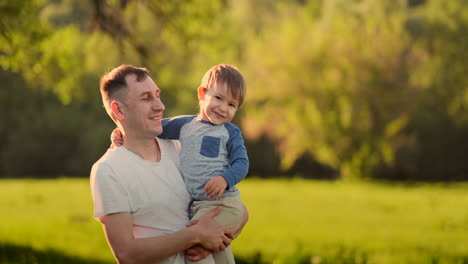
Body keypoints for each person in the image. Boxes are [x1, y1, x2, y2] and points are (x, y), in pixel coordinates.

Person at [90, 64, 248, 264]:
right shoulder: (109, 170)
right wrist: (196, 236)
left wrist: (216, 238)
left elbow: (240, 211)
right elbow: (126, 254)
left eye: (157, 95)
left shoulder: (180, 146)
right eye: (147, 98)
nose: (160, 106)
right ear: (118, 109)